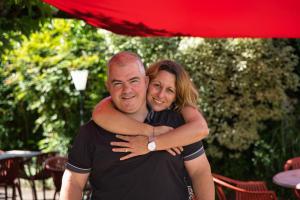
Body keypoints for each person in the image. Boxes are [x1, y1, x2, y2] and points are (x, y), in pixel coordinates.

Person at [60, 51, 214, 200]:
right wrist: (151, 132)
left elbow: (200, 171)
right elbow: (73, 181)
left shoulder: (177, 124)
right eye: (118, 83)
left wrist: (151, 143)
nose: (127, 90)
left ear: (145, 81)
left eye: (133, 81)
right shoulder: (91, 131)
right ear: (108, 86)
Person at [92, 60, 209, 159]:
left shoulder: (180, 112)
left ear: (176, 96)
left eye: (170, 90)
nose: (160, 94)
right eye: (157, 85)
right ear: (146, 82)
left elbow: (201, 128)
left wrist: (150, 144)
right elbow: (99, 113)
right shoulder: (128, 99)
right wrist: (152, 131)